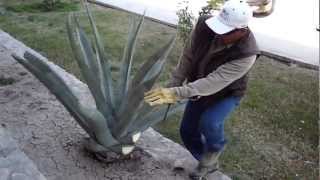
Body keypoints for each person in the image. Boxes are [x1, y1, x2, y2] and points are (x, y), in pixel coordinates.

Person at [144, 0, 259, 179]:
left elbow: (213, 82)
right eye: (218, 25)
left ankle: (210, 157)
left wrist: (177, 93)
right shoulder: (205, 26)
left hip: (226, 93)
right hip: (198, 85)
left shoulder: (247, 54)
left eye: (225, 30)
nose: (216, 32)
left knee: (210, 122)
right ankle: (206, 161)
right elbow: (188, 56)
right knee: (187, 131)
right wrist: (173, 85)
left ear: (241, 31)